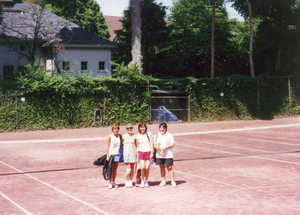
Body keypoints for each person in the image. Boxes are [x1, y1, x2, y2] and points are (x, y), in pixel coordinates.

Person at [153, 122, 176, 188]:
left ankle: (172, 181)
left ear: (165, 128)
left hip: (168, 154)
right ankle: (163, 180)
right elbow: (154, 144)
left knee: (169, 167)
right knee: (161, 167)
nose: (162, 129)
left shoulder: (169, 135)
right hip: (159, 154)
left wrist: (166, 147)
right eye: (160, 128)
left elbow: (173, 143)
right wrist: (156, 147)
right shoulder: (157, 135)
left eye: (163, 128)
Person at [135, 122, 153, 188]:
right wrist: (137, 157)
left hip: (148, 152)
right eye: (141, 127)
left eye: (143, 127)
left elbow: (151, 143)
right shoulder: (137, 136)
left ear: (145, 127)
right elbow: (137, 147)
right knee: (142, 167)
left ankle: (146, 180)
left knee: (147, 167)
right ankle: (142, 181)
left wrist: (152, 153)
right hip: (141, 152)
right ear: (139, 128)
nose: (142, 128)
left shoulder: (149, 134)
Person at [106, 124, 122, 189]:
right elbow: (107, 146)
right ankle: (110, 182)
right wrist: (107, 156)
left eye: (117, 129)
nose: (116, 130)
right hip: (111, 154)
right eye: (114, 129)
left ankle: (113, 181)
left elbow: (122, 144)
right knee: (111, 169)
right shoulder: (110, 136)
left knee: (115, 169)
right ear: (112, 130)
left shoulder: (120, 136)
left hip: (117, 154)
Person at [122, 123, 137, 188]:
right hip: (126, 153)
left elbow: (136, 145)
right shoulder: (123, 136)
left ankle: (130, 180)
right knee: (128, 169)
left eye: (130, 128)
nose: (129, 129)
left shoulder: (135, 136)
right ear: (126, 129)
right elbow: (121, 144)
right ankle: (127, 180)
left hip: (132, 153)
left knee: (132, 168)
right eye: (128, 128)